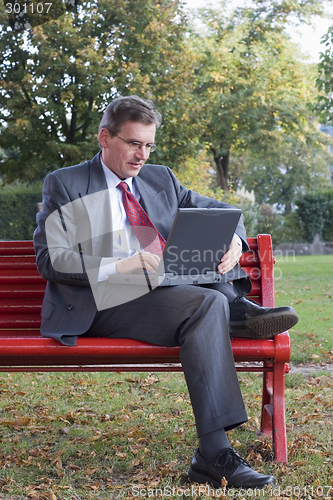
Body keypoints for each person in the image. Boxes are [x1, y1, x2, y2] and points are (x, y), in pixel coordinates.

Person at [33, 95, 298, 489]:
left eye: (149, 145)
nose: (142, 155)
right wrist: (119, 265)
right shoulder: (66, 183)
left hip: (162, 291)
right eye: (134, 143)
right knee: (208, 303)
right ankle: (235, 319)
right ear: (104, 138)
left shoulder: (160, 178)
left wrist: (236, 242)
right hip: (103, 300)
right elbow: (51, 260)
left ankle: (233, 313)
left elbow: (226, 212)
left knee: (201, 282)